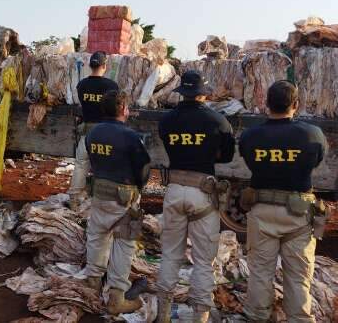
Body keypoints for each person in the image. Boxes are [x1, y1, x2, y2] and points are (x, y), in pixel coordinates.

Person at [239, 81, 328, 322]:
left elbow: (248, 160)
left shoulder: (250, 136)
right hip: (298, 214)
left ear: (266, 104)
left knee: (259, 272)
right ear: (296, 105)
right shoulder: (312, 134)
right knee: (298, 276)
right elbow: (317, 160)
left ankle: (257, 316)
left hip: (262, 210)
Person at [155, 70, 236, 323]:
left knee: (170, 254)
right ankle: (200, 317)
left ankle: (163, 315)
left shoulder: (166, 121)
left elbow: (170, 147)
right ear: (202, 93)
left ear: (182, 93)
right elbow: (227, 156)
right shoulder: (218, 120)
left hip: (175, 190)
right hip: (202, 192)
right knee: (203, 261)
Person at [81, 90, 151, 314]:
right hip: (123, 198)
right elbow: (144, 169)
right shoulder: (130, 136)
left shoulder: (92, 134)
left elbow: (91, 161)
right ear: (123, 109)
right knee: (123, 243)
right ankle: (117, 298)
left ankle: (92, 282)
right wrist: (138, 189)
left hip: (99, 193)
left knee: (97, 235)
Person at [68, 51, 119, 209]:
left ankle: (74, 199)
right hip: (105, 133)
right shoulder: (111, 86)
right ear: (104, 66)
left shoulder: (82, 85)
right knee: (105, 166)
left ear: (90, 66)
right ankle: (103, 200)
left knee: (81, 164)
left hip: (88, 132)